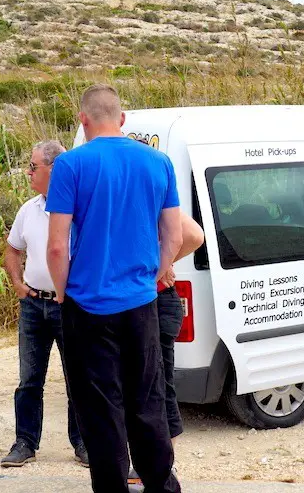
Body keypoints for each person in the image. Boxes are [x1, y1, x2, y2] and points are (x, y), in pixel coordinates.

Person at [46, 84, 182, 493]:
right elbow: (173, 237)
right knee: (148, 401)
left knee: (100, 409)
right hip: (141, 302)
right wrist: (154, 276)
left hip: (87, 306)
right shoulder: (158, 162)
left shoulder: (70, 165)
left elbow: (56, 246)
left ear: (83, 119)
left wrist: (61, 291)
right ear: (122, 119)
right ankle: (161, 486)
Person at [1, 140, 88, 468]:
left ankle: (82, 442)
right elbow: (12, 250)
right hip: (34, 305)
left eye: (33, 166)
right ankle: (25, 442)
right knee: (29, 378)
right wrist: (17, 283)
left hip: (71, 305)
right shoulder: (29, 209)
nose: (28, 172)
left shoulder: (81, 207)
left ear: (54, 169)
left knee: (77, 377)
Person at [127, 135, 205, 487]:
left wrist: (162, 263)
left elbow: (194, 235)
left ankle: (163, 465)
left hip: (159, 300)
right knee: (143, 384)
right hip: (148, 301)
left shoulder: (156, 198)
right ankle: (150, 463)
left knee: (159, 385)